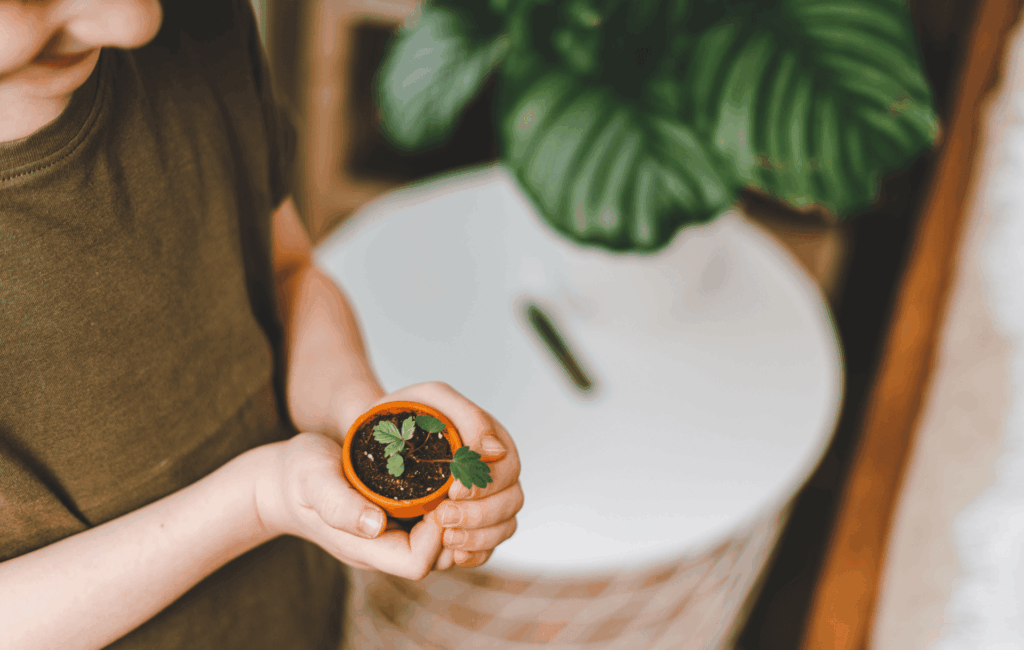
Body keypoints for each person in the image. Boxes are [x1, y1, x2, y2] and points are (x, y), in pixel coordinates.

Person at [0, 1, 524, 649]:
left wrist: (356, 418)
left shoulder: (197, 19)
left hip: (294, 610)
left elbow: (284, 272)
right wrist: (256, 502)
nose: (134, 23)